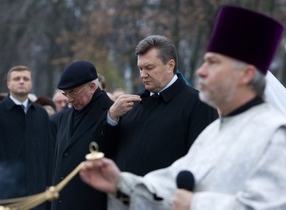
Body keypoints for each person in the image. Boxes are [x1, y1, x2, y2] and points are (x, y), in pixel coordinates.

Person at [79, 5, 286, 210]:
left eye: (213, 63)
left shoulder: (276, 135)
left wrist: (195, 204)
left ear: (246, 75)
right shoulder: (215, 131)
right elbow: (169, 184)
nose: (200, 72)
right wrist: (120, 184)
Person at [92, 35, 218, 177]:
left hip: (168, 196)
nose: (143, 75)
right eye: (140, 68)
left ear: (170, 65)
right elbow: (102, 151)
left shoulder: (199, 103)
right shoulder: (131, 104)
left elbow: (202, 161)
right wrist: (111, 117)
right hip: (124, 195)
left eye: (149, 68)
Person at [0, 65, 52, 210]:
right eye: (17, 78)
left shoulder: (41, 114)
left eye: (25, 79)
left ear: (31, 84)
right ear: (8, 84)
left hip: (37, 189)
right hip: (5, 189)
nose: (21, 81)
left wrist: (49, 183)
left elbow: (48, 150)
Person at [51, 61, 113, 210]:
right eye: (66, 93)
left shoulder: (112, 114)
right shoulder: (64, 116)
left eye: (73, 92)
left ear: (92, 87)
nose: (69, 99)